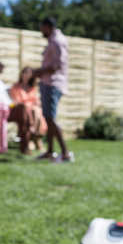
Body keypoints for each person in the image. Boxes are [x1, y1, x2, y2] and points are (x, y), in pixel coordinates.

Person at [34, 17, 74, 163]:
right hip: (48, 83)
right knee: (48, 118)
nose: (40, 31)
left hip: (53, 84)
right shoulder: (53, 40)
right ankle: (50, 151)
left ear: (48, 26)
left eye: (41, 27)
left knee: (50, 118)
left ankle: (65, 153)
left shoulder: (57, 41)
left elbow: (57, 65)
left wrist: (37, 71)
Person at [9, 67, 47, 154]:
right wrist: (30, 104)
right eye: (25, 73)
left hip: (31, 110)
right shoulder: (16, 87)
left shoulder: (32, 88)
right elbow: (17, 101)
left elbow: (36, 101)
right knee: (32, 110)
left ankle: (32, 137)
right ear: (21, 74)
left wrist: (31, 105)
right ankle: (35, 138)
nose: (27, 75)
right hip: (19, 110)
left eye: (29, 73)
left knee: (36, 110)